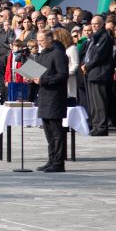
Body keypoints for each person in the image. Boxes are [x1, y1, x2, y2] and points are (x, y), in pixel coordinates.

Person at [31, 28, 70, 172]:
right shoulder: (42, 54)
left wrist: (44, 80)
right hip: (44, 96)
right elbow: (40, 72)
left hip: (55, 97)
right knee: (48, 131)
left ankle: (59, 162)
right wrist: (32, 76)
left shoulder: (58, 53)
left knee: (56, 132)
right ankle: (51, 159)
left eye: (42, 41)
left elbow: (62, 75)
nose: (39, 43)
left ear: (49, 39)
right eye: (38, 41)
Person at [82, 15, 114, 136]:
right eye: (93, 23)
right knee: (93, 102)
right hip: (92, 73)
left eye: (96, 24)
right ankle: (95, 125)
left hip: (99, 73)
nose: (94, 26)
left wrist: (87, 66)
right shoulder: (94, 38)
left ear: (102, 24)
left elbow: (98, 56)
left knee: (99, 101)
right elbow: (89, 54)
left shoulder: (104, 37)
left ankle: (101, 126)